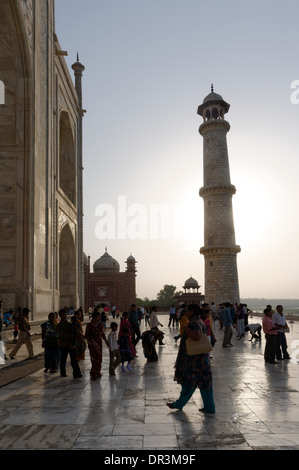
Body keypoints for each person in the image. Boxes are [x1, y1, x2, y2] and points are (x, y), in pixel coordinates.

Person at [166, 304, 215, 414]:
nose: (186, 313)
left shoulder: (193, 324)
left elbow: (197, 336)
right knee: (205, 383)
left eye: (187, 311)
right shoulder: (201, 321)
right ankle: (209, 406)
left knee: (188, 382)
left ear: (192, 311)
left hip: (194, 361)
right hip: (203, 359)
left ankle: (179, 404)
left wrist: (186, 327)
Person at [56, 309, 82, 379]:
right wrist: (71, 336)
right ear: (60, 316)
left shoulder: (70, 324)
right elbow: (62, 336)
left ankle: (77, 373)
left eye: (65, 314)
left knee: (74, 360)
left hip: (70, 344)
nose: (65, 316)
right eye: (63, 314)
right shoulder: (59, 325)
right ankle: (63, 373)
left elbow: (74, 332)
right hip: (64, 344)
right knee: (63, 360)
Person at [85, 311, 108, 380]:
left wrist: (106, 341)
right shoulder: (89, 325)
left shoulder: (100, 324)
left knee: (99, 358)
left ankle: (98, 372)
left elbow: (102, 334)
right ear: (94, 317)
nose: (100, 318)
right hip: (92, 344)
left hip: (98, 344)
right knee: (94, 358)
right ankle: (93, 373)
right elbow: (86, 335)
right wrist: (90, 341)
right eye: (98, 316)